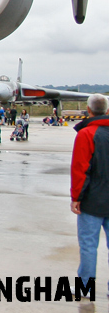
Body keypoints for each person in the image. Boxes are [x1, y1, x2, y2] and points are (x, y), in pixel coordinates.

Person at [71, 94, 109, 292]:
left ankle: (85, 287)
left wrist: (76, 197)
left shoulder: (86, 134)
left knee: (88, 245)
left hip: (92, 200)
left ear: (89, 110)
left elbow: (80, 169)